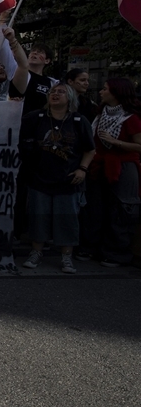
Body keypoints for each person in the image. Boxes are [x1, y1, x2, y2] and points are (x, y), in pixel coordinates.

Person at [18, 83, 95, 274]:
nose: (55, 94)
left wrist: (82, 169)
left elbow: (90, 149)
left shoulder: (78, 120)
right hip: (39, 178)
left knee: (67, 219)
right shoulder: (36, 118)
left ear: (70, 98)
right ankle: (36, 252)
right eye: (53, 91)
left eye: (61, 92)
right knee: (38, 217)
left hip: (68, 179)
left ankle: (66, 256)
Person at [80, 77, 141, 267]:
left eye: (105, 89)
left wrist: (117, 143)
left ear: (116, 92)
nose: (100, 91)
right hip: (99, 166)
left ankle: (116, 252)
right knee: (95, 208)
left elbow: (139, 146)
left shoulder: (131, 118)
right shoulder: (100, 114)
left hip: (122, 167)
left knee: (120, 209)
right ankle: (91, 246)